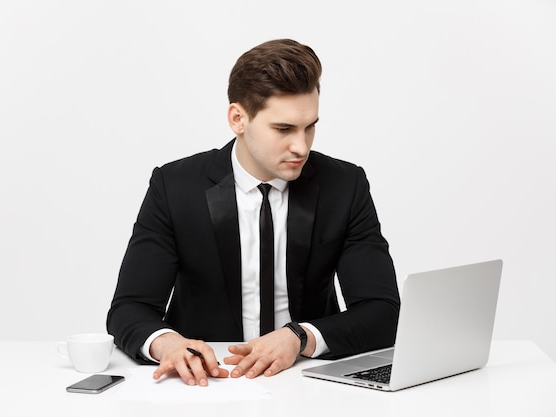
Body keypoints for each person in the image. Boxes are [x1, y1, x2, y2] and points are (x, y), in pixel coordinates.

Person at [107, 39, 400, 387]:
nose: (302, 146)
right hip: (208, 381)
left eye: (310, 126)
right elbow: (129, 307)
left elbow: (383, 313)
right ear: (238, 119)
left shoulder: (345, 184)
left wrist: (299, 336)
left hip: (309, 380)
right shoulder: (174, 186)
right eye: (284, 129)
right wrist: (166, 343)